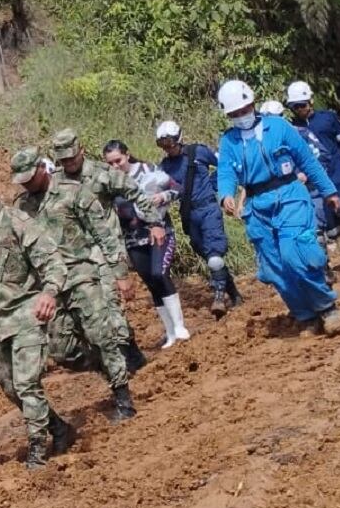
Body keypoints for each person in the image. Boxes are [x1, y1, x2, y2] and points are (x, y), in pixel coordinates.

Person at [0, 164, 77, 469]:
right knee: (9, 387)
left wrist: (49, 294)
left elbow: (53, 262)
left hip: (26, 314)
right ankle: (59, 428)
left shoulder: (16, 222)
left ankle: (38, 448)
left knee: (27, 384)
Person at [12, 146, 142, 415]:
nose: (26, 184)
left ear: (41, 168)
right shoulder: (21, 207)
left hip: (83, 274)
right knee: (62, 351)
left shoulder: (72, 191)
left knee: (102, 337)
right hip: (50, 287)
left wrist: (120, 274)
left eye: (29, 177)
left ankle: (123, 398)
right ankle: (108, 367)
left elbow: (103, 233)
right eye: (21, 180)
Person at [215, 80, 340, 335]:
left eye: (244, 110)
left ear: (252, 104)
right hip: (257, 207)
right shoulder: (229, 141)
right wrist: (225, 196)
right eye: (234, 113)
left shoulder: (278, 127)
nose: (241, 116)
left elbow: (307, 161)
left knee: (295, 254)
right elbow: (225, 173)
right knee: (274, 268)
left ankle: (326, 306)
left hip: (289, 196)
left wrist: (329, 191)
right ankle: (305, 316)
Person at [46, 127, 149, 373]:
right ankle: (122, 355)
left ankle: (127, 355)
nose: (69, 163)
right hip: (78, 257)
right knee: (95, 312)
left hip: (106, 250)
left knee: (110, 305)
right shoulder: (56, 184)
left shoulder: (102, 175)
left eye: (72, 157)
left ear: (81, 150)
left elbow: (135, 192)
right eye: (64, 160)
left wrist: (154, 222)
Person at [101, 141, 190, 348]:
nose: (115, 166)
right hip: (132, 239)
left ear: (127, 155)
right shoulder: (109, 183)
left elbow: (177, 188)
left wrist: (162, 196)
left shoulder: (148, 170)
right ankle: (169, 332)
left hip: (158, 232)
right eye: (110, 163)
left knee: (160, 274)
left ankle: (179, 326)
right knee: (151, 283)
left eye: (118, 161)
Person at [153, 120, 242, 317]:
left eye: (170, 143)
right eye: (163, 145)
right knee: (208, 256)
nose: (168, 148)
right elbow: (165, 191)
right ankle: (234, 294)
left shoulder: (198, 152)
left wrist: (216, 185)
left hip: (209, 209)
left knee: (215, 257)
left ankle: (219, 298)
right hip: (189, 215)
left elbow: (226, 165)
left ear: (179, 139)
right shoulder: (165, 167)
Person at [286, 81, 340, 272]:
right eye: (296, 106)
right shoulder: (292, 129)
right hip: (314, 181)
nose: (300, 109)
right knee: (331, 222)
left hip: (336, 172)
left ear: (311, 100)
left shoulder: (329, 119)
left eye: (303, 104)